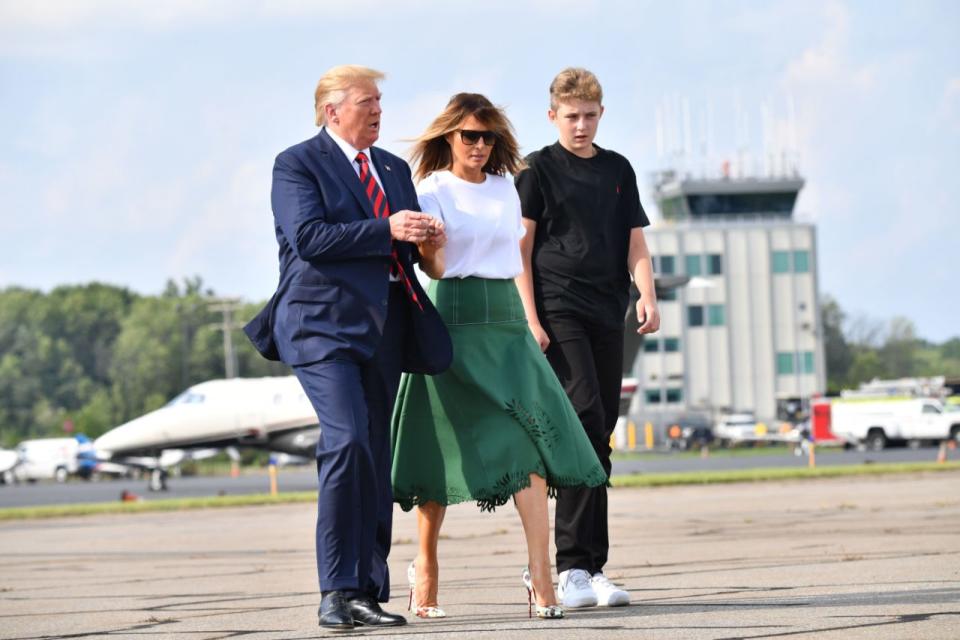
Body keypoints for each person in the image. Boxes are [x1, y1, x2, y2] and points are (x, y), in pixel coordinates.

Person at [243, 65, 452, 631]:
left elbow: (407, 252)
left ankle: (367, 589)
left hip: (385, 327)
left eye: (380, 100)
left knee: (375, 455)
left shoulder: (391, 167)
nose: (378, 110)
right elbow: (309, 238)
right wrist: (388, 228)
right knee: (348, 439)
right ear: (332, 111)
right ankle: (336, 591)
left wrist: (427, 242)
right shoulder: (297, 164)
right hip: (320, 326)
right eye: (367, 101)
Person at [391, 93, 608, 621]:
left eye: (488, 137)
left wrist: (530, 322)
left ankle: (541, 575)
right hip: (452, 320)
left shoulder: (507, 188)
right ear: (450, 138)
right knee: (438, 451)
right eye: (470, 136)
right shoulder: (433, 189)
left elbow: (515, 259)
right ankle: (425, 564)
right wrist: (432, 244)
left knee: (527, 448)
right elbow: (436, 271)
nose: (480, 145)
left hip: (505, 323)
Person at [514, 67, 660, 609]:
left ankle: (591, 567)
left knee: (601, 431)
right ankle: (571, 567)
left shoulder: (618, 169)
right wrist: (530, 317)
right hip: (558, 309)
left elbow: (635, 243)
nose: (581, 125)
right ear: (553, 115)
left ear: (601, 115)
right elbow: (520, 251)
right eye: (571, 116)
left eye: (589, 116)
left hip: (607, 309)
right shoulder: (536, 169)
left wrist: (646, 295)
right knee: (581, 419)